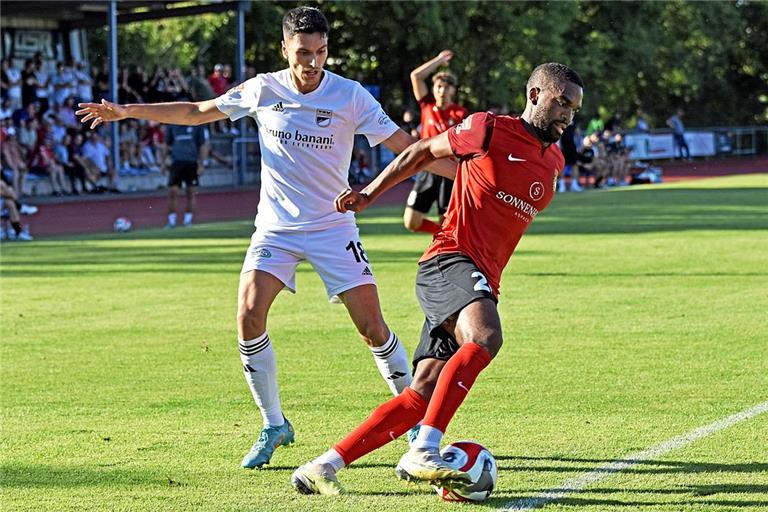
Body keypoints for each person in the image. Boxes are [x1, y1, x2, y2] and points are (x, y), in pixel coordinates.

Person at [76, 6, 455, 470]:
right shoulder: (262, 89)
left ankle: (412, 416)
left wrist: (471, 173)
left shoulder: (350, 96)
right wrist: (126, 111)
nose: (312, 62)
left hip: (333, 226)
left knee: (372, 327)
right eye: (302, 53)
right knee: (248, 315)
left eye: (320, 52)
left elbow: (408, 150)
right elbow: (198, 112)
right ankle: (274, 423)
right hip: (274, 228)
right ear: (284, 50)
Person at [291, 62, 583, 496]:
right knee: (485, 338)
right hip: (448, 260)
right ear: (536, 95)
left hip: (478, 277)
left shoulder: (554, 160)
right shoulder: (487, 128)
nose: (567, 114)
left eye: (575, 109)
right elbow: (422, 152)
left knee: (421, 394)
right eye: (561, 102)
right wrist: (369, 194)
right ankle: (424, 448)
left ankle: (323, 465)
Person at [403, 50, 467, 235]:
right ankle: (444, 237)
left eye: (447, 87)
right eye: (438, 86)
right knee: (411, 221)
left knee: (447, 221)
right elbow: (415, 76)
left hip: (449, 172)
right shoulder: (427, 106)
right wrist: (438, 60)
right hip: (427, 169)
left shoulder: (461, 114)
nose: (442, 91)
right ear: (433, 88)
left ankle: (448, 244)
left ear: (453, 90)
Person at [164, 120, 209, 228]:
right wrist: (163, 161)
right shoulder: (172, 125)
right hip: (176, 162)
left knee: (191, 192)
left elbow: (202, 145)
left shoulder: (197, 125)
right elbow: (167, 144)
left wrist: (202, 164)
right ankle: (171, 221)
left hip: (191, 162)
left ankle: (187, 221)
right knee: (172, 192)